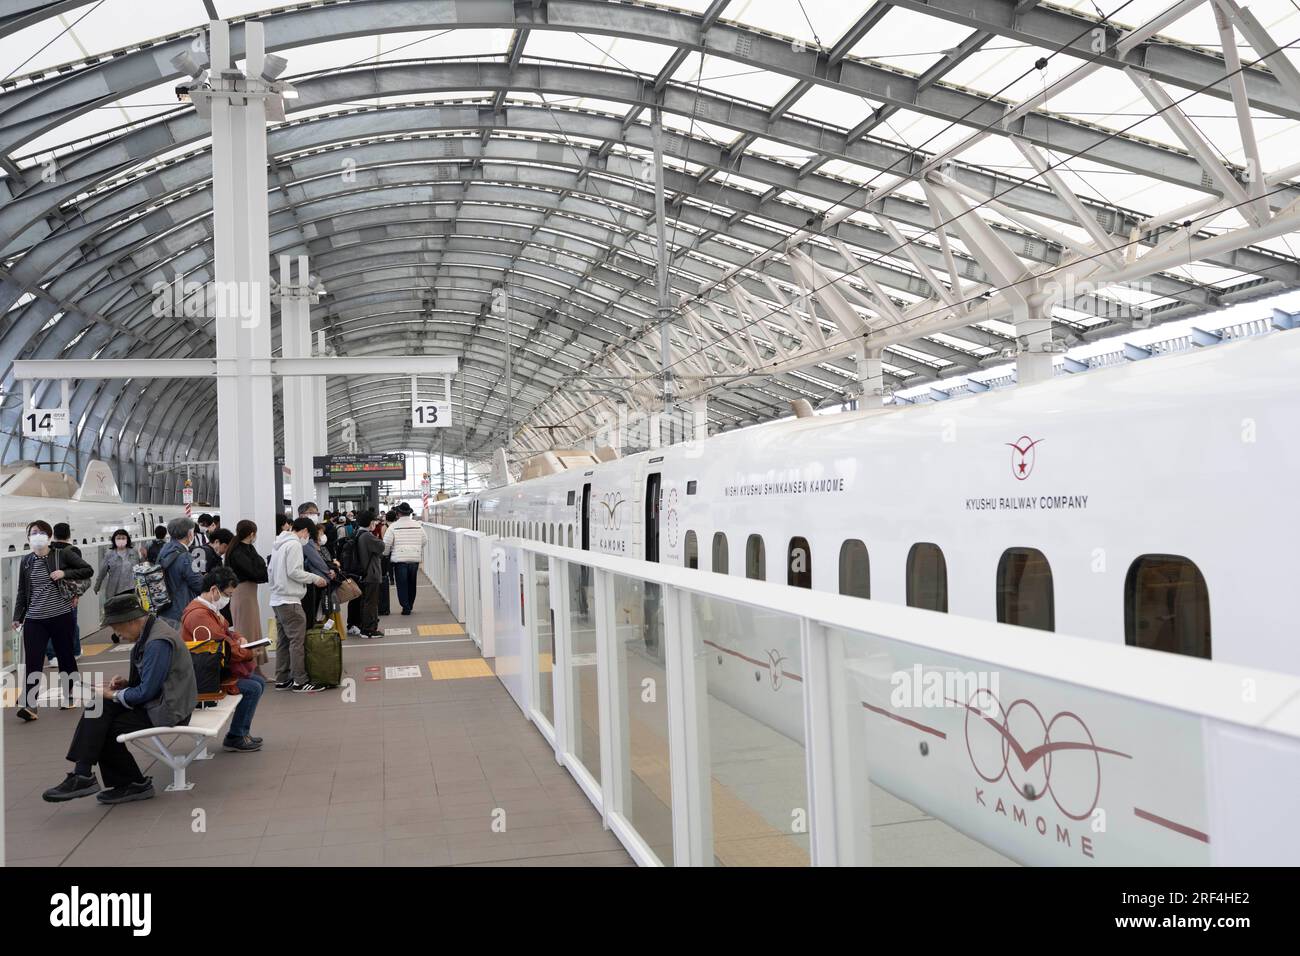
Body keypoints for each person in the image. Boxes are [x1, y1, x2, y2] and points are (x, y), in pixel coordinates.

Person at [40, 593, 196, 805]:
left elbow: (146, 692)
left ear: (131, 621)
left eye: (116, 627)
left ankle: (110, 780)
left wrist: (113, 694)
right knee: (99, 710)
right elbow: (152, 683)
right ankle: (90, 775)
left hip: (169, 710)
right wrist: (125, 685)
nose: (117, 634)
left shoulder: (157, 642)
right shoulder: (152, 632)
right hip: (162, 703)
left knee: (103, 724)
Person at [11, 521, 93, 721]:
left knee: (66, 657)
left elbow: (87, 570)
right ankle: (30, 705)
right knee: (33, 661)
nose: (36, 535)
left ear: (49, 536)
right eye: (33, 533)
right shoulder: (26, 561)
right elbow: (22, 590)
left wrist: (65, 573)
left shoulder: (62, 554)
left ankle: (70, 694)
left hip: (61, 616)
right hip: (34, 619)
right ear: (28, 537)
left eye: (40, 532)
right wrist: (18, 616)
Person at [181, 567, 264, 753]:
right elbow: (221, 645)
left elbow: (226, 635)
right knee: (253, 687)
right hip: (204, 677)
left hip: (208, 671)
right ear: (214, 590)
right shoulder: (199, 615)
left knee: (256, 684)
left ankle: (239, 733)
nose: (229, 599)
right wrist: (248, 653)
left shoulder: (206, 609)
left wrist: (239, 638)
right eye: (228, 594)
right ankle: (236, 736)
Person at [269, 516, 328, 693]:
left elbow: (270, 570)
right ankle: (300, 680)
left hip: (277, 599)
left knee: (283, 641)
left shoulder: (278, 544)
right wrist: (315, 578)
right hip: (290, 600)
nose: (307, 539)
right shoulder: (294, 544)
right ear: (304, 531)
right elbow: (294, 571)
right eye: (308, 536)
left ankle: (282, 678)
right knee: (297, 641)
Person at [226, 520, 268, 669]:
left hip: (248, 593)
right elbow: (255, 570)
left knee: (253, 628)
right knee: (246, 630)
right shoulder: (238, 552)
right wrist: (263, 569)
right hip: (243, 593)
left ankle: (255, 667)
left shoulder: (246, 548)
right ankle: (248, 668)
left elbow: (259, 568)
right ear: (251, 534)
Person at [157, 517, 203, 626]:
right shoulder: (185, 556)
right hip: (181, 609)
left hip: (165, 608)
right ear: (190, 534)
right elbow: (198, 584)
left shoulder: (164, 550)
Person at [95, 529, 138, 642]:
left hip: (131, 587)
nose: (121, 540)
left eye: (123, 538)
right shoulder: (109, 554)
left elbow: (139, 567)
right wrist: (97, 586)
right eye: (118, 538)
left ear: (127, 539)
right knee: (118, 613)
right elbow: (102, 571)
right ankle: (117, 633)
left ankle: (131, 632)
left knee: (130, 612)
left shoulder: (133, 552)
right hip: (115, 589)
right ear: (114, 540)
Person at [50, 523, 85, 660]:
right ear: (69, 535)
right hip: (69, 593)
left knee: (51, 624)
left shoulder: (48, 550)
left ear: (53, 535)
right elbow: (79, 575)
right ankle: (75, 651)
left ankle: (53, 655)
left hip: (51, 593)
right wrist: (77, 595)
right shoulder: (74, 550)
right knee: (71, 623)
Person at [383, 502, 424, 615]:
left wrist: (386, 554)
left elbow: (386, 543)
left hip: (400, 560)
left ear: (398, 514)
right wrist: (416, 548)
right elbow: (425, 540)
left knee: (402, 584)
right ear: (409, 513)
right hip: (414, 559)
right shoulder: (418, 525)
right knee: (412, 583)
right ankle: (410, 604)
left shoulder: (393, 526)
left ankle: (406, 607)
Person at [298, 503, 335, 626]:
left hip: (314, 578)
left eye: (316, 513)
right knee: (309, 611)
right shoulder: (304, 534)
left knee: (313, 610)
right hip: (308, 578)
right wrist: (327, 571)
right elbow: (315, 558)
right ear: (302, 514)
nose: (314, 515)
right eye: (311, 513)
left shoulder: (311, 531)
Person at [354, 510, 386, 638]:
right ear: (370, 522)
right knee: (371, 602)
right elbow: (381, 546)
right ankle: (369, 629)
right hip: (371, 574)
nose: (375, 523)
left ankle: (364, 626)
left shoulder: (358, 533)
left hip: (363, 573)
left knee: (366, 601)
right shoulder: (367, 536)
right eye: (374, 521)